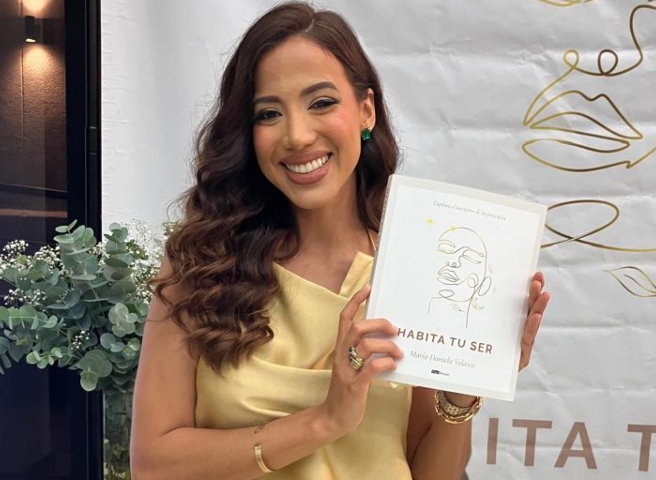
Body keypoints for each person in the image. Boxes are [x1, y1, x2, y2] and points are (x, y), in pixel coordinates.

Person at [130, 3, 550, 480]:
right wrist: (325, 420)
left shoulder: (415, 264)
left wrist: (465, 385)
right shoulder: (202, 265)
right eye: (269, 113)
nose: (297, 135)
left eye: (321, 103)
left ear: (366, 110)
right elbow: (152, 465)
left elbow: (430, 473)